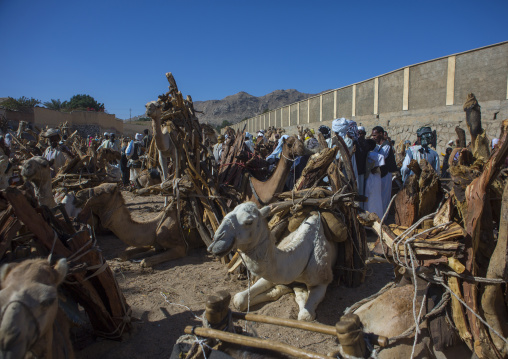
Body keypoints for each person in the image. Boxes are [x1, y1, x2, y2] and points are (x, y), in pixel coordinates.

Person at [371, 126, 397, 213]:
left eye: (375, 135)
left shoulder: (387, 145)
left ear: (381, 134)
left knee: (384, 196)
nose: (373, 137)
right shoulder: (378, 146)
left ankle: (384, 217)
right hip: (380, 174)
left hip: (386, 173)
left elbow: (381, 156)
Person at [364, 139, 385, 217]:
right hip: (375, 178)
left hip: (372, 178)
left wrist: (374, 168)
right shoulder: (373, 154)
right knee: (375, 198)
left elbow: (381, 160)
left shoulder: (372, 155)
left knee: (371, 198)